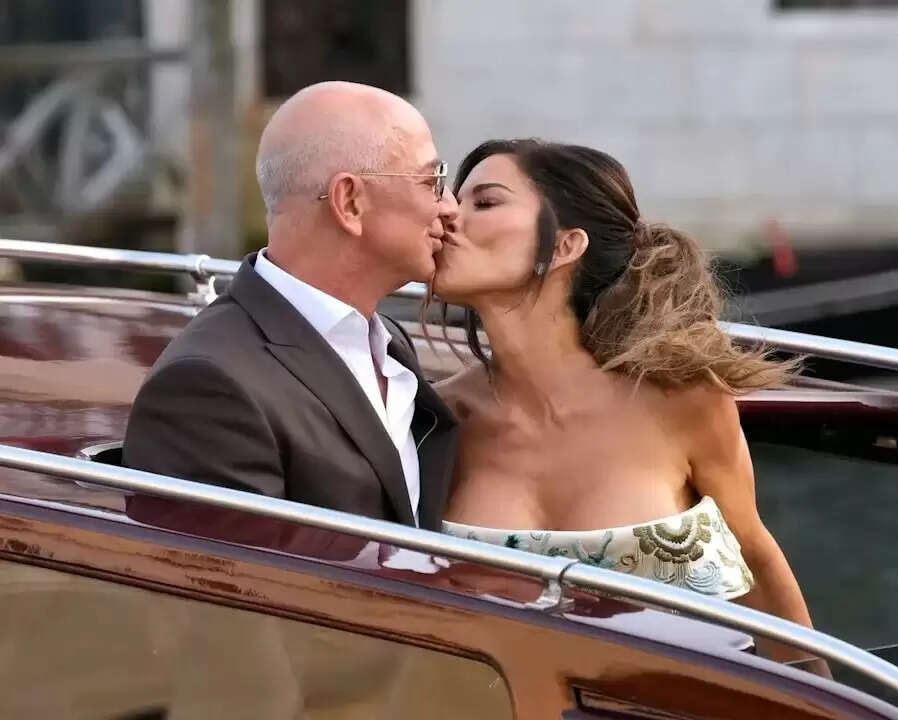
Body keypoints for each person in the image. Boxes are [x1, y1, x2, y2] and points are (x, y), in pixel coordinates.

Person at [431, 139, 815, 662]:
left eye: (485, 202)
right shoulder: (438, 417)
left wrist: (818, 689)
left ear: (565, 246)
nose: (448, 214)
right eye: (454, 198)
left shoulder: (681, 397)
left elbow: (755, 555)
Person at [123, 81, 459, 532]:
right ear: (350, 202)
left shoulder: (385, 342)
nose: (451, 207)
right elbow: (232, 575)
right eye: (433, 182)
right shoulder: (207, 387)